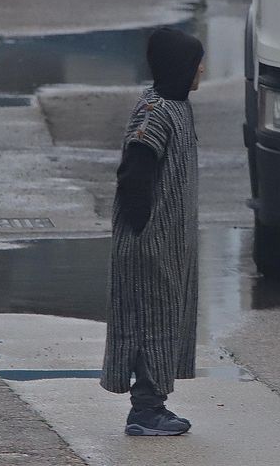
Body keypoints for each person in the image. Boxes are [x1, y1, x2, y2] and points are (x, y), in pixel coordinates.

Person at [100, 27, 205, 435]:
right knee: (150, 321)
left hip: (169, 244)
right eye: (198, 61)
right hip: (150, 242)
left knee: (166, 319)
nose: (203, 69)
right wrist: (143, 230)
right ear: (182, 66)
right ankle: (145, 411)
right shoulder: (155, 112)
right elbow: (134, 173)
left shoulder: (177, 106)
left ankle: (153, 405)